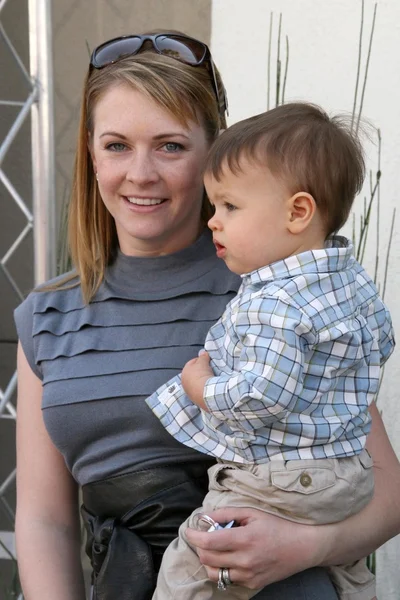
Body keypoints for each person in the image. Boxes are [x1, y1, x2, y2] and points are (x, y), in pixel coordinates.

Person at [13, 31, 400, 600]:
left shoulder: (279, 289)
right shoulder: (48, 315)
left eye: (170, 146)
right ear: (91, 153)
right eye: (117, 145)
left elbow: (387, 489)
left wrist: (304, 546)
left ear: (211, 154)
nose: (141, 173)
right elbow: (45, 520)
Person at [146, 103, 394, 600]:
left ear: (297, 212)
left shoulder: (273, 301)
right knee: (341, 564)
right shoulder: (349, 281)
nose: (213, 222)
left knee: (188, 567)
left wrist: (202, 388)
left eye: (229, 207)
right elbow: (382, 340)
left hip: (279, 481)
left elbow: (261, 399)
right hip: (347, 476)